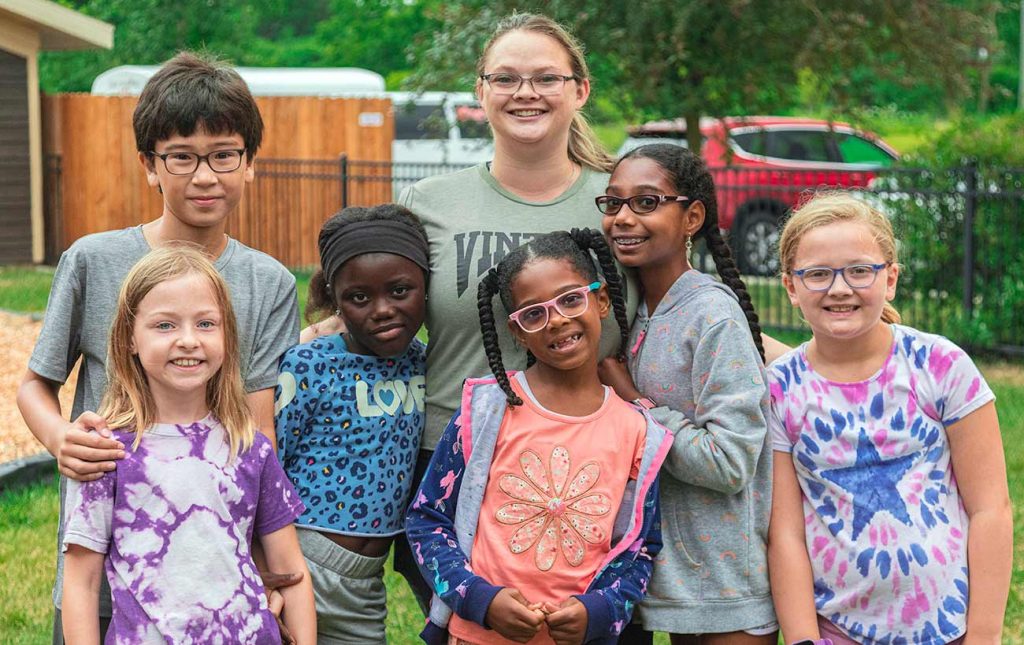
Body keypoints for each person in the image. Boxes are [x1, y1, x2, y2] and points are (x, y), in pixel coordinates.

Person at [16, 51, 301, 643]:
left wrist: (253, 558)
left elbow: (257, 423)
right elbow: (36, 385)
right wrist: (59, 438)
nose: (205, 175)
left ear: (249, 163)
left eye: (224, 155)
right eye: (182, 157)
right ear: (150, 164)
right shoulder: (93, 261)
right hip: (105, 560)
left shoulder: (269, 281)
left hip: (212, 573)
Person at [405, 229, 671, 645]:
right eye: (534, 313)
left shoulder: (639, 432)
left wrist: (597, 611)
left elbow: (640, 548)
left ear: (600, 300)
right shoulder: (487, 411)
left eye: (570, 299)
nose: (558, 320)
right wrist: (480, 600)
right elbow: (427, 520)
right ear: (516, 332)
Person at [767, 193, 1011, 644]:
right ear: (790, 287)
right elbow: (785, 533)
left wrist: (983, 637)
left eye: (859, 270)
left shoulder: (940, 364)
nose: (839, 288)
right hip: (838, 629)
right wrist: (803, 638)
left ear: (891, 277)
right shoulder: (778, 390)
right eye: (818, 274)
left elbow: (990, 510)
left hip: (950, 627)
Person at [60, 246, 315, 644]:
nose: (188, 340)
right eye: (165, 325)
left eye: (205, 324)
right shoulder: (107, 454)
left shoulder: (250, 448)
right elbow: (82, 583)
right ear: (130, 337)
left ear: (226, 335)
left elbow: (293, 574)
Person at [595, 144, 778, 644]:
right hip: (671, 582)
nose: (623, 218)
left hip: (725, 593)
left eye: (647, 202)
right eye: (613, 204)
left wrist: (635, 402)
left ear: (692, 215)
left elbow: (729, 462)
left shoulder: (711, 317)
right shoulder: (633, 313)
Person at [274, 204, 428, 643]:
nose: (382, 310)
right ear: (333, 297)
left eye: (400, 291)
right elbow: (268, 461)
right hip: (301, 562)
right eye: (359, 298)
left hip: (366, 582)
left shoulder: (424, 363)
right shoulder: (309, 365)